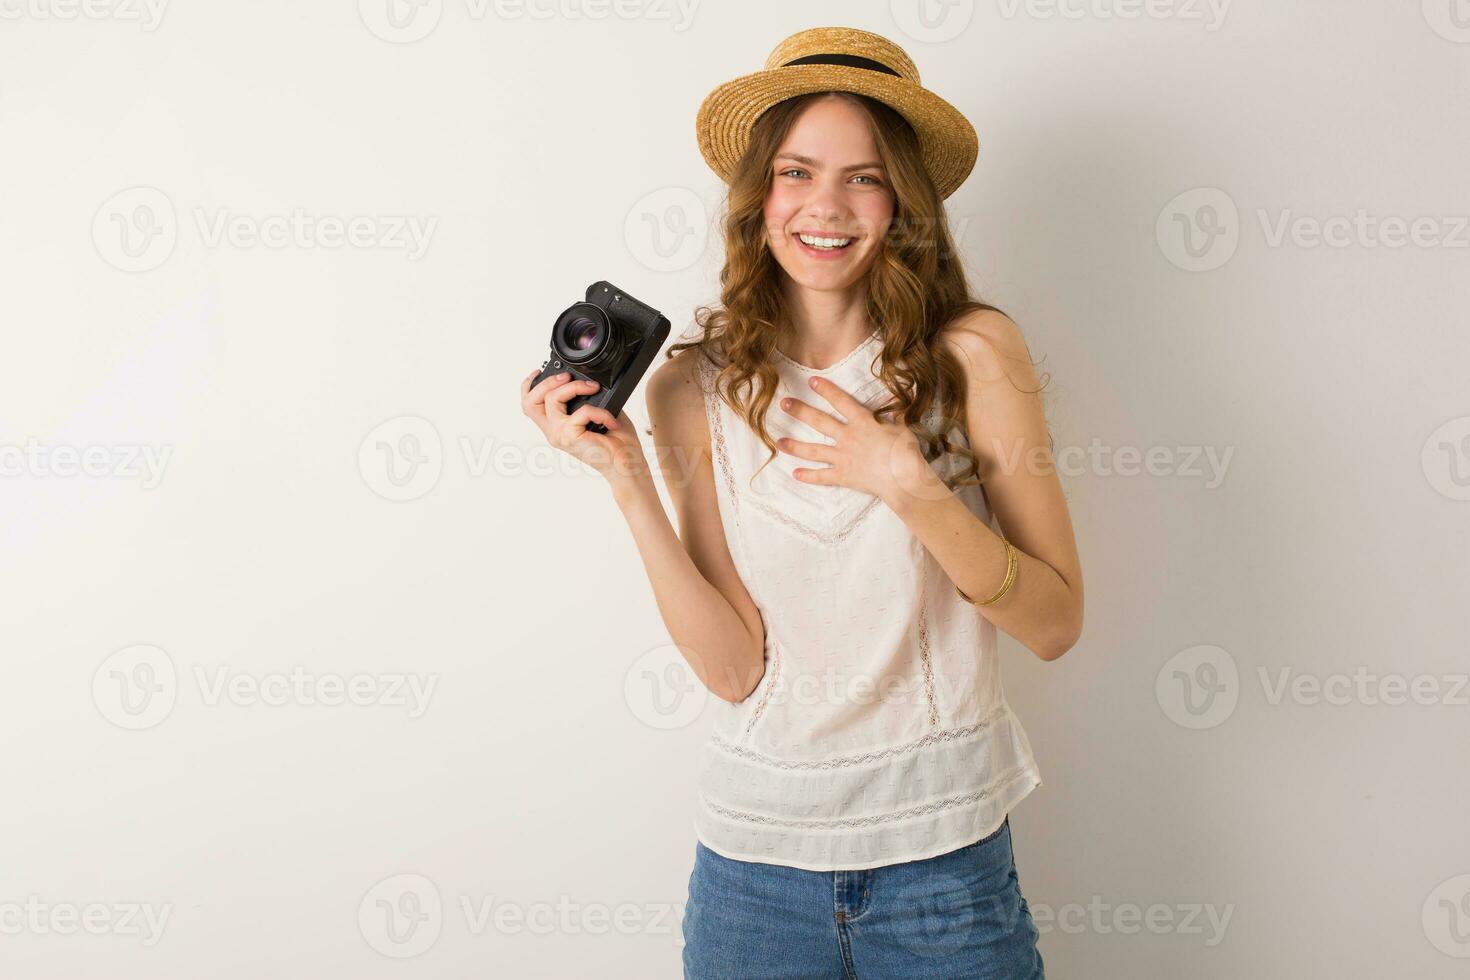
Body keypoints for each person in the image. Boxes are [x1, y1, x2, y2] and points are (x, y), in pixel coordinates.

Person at [520, 25, 1082, 980]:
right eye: (796, 171)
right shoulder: (689, 386)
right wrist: (628, 482)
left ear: (903, 200)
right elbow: (736, 670)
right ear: (760, 196)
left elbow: (1056, 621)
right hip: (753, 878)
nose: (826, 206)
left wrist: (909, 484)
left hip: (941, 868)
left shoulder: (976, 354)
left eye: (863, 177)